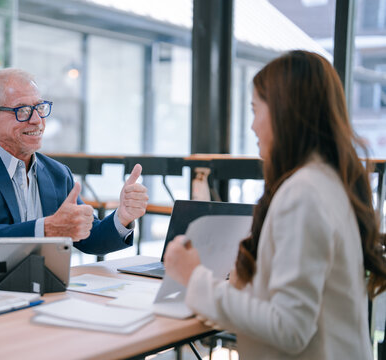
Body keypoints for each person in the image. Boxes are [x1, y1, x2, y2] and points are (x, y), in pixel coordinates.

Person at [164, 50, 386, 359]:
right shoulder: (330, 182)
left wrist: (194, 277)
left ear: (285, 111)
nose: (253, 126)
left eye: (256, 110)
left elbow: (289, 328)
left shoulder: (303, 194)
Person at [0, 68, 148, 283]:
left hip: (39, 290)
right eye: (23, 110)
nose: (37, 120)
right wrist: (47, 229)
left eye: (39, 108)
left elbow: (90, 238)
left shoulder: (58, 173)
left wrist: (123, 216)